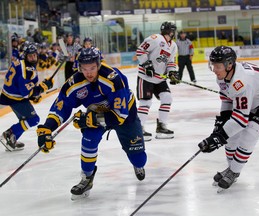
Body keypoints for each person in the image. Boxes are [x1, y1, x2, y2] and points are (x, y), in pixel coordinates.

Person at [36, 47, 147, 200]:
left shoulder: (113, 78)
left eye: (92, 68)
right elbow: (61, 107)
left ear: (99, 65)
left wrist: (93, 120)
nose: (89, 72)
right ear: (79, 67)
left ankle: (137, 162)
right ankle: (87, 177)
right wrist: (47, 128)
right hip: (96, 112)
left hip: (125, 114)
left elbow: (120, 115)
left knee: (139, 159)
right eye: (84, 68)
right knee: (89, 138)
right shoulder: (74, 83)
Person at [198, 46, 259, 191]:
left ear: (229, 65)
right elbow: (227, 100)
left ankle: (234, 171)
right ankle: (230, 168)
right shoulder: (223, 76)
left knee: (251, 129)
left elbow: (240, 120)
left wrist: (218, 137)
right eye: (212, 65)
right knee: (229, 130)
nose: (214, 69)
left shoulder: (241, 82)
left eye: (218, 66)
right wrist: (220, 126)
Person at [0, 42, 54, 151]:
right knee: (34, 119)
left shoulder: (20, 63)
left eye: (34, 55)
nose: (33, 58)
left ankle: (12, 140)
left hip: (10, 95)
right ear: (26, 56)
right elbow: (25, 92)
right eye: (30, 56)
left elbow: (23, 87)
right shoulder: (28, 70)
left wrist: (33, 94)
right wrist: (42, 88)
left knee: (25, 120)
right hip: (15, 98)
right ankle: (9, 133)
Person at [136, 21, 179, 141]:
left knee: (167, 98)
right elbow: (140, 51)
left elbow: (171, 62)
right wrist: (146, 64)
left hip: (159, 78)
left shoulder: (173, 46)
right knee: (146, 102)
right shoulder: (155, 39)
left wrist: (172, 72)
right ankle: (139, 129)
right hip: (146, 77)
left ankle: (161, 126)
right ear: (171, 32)